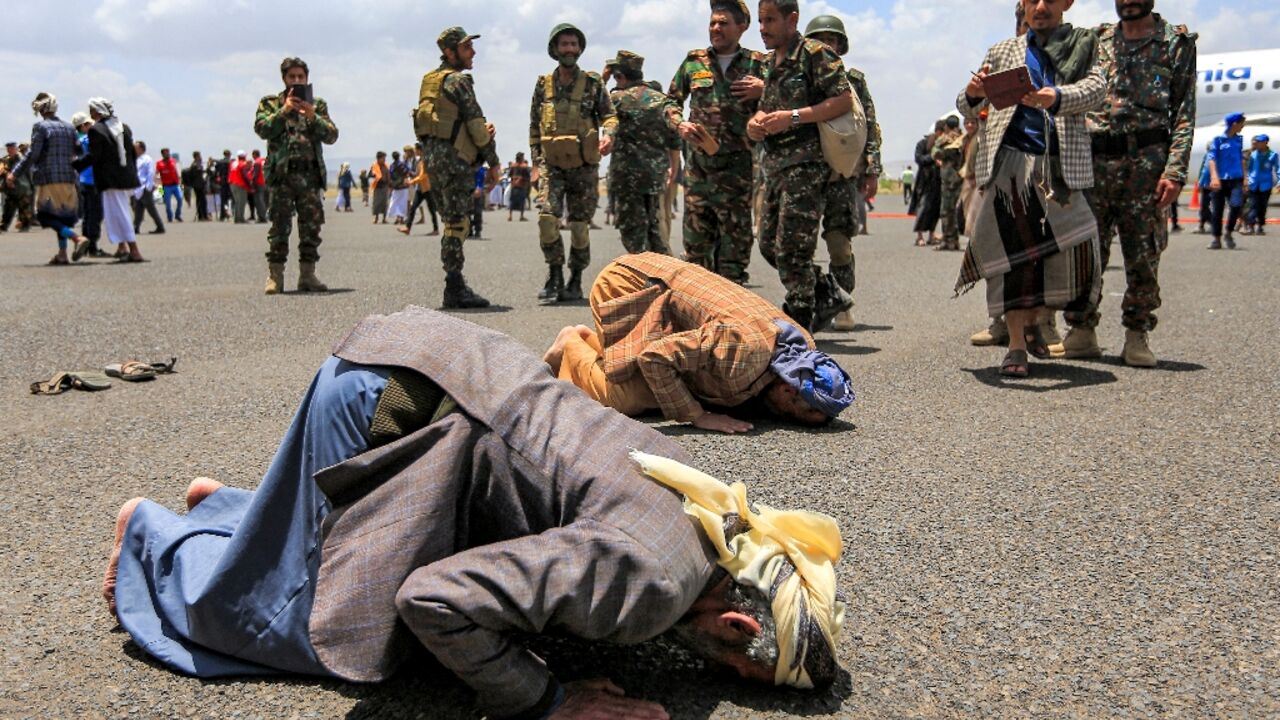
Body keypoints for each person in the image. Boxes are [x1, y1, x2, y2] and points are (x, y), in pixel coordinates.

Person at [102, 306, 845, 719]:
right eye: (739, 674)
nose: (714, 673)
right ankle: (156, 538)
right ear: (740, 624)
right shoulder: (650, 586)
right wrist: (551, 701)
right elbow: (433, 600)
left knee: (339, 549)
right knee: (322, 631)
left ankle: (237, 510)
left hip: (441, 358)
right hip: (394, 407)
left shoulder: (717, 512)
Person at [957, 0, 1106, 378]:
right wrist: (974, 93)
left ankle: (1042, 323)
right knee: (1014, 259)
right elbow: (968, 106)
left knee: (1072, 250)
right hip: (1010, 165)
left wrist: (1054, 97)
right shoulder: (1003, 50)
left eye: (1051, 0)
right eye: (1032, 0)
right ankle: (1016, 346)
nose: (1040, 7)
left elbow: (1097, 87)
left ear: (1067, 3)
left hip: (1060, 167)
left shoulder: (1083, 43)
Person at [548, 252, 853, 434]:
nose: (791, 420)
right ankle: (573, 343)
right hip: (628, 283)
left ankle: (601, 347)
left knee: (689, 386)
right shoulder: (742, 352)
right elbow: (655, 357)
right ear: (788, 389)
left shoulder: (803, 347)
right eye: (798, 416)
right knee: (628, 396)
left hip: (664, 291)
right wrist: (697, 416)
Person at [1050, 0, 1197, 368]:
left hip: (1146, 161)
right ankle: (1081, 331)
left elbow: (1184, 112)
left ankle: (1136, 333)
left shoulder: (1174, 44)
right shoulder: (1096, 40)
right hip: (1094, 160)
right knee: (1087, 250)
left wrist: (1174, 171)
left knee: (1143, 252)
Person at [748, 0, 855, 333]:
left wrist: (794, 117)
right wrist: (755, 123)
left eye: (770, 20)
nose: (762, 28)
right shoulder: (765, 63)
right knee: (768, 244)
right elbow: (765, 107)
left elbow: (842, 99)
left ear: (792, 19)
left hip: (806, 167)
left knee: (794, 248)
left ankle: (800, 323)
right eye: (760, 21)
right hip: (774, 167)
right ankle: (826, 290)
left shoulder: (814, 54)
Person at [668, 1, 768, 284]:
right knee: (696, 257)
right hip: (699, 173)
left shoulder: (758, 64)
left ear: (742, 27)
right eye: (713, 22)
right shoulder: (693, 61)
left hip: (737, 175)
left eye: (723, 23)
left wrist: (764, 89)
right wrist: (679, 123)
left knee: (733, 261)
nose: (715, 28)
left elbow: (786, 98)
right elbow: (670, 100)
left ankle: (732, 323)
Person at [804, 13, 884, 330]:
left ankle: (841, 301)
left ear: (841, 45)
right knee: (798, 245)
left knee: (839, 242)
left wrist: (872, 169)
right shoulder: (798, 79)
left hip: (842, 172)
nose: (826, 44)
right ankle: (807, 300)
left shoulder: (854, 81)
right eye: (819, 39)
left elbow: (869, 127)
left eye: (832, 39)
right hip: (805, 172)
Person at [530, 23, 617, 303]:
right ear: (554, 49)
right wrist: (535, 163)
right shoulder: (543, 84)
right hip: (551, 165)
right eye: (564, 44)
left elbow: (610, 116)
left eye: (573, 44)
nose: (569, 49)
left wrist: (609, 136)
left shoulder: (592, 82)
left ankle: (575, 279)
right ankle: (554, 273)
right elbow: (534, 126)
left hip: (584, 166)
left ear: (579, 49)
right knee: (546, 218)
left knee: (579, 226)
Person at [414, 27, 500, 308]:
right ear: (450, 53)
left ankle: (455, 282)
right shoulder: (458, 81)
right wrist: (493, 161)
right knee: (457, 223)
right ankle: (454, 286)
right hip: (455, 160)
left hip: (434, 160)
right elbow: (476, 124)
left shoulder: (430, 81)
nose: (472, 52)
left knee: (451, 221)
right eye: (465, 48)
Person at [254, 56, 340, 295]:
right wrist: (284, 112)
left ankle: (307, 274)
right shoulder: (271, 103)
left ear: (307, 78)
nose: (296, 80)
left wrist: (313, 115)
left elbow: (332, 135)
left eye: (300, 76)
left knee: (311, 227)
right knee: (279, 227)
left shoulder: (317, 104)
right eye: (292, 76)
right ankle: (275, 277)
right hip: (282, 176)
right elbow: (262, 129)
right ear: (284, 79)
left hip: (310, 177)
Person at [606, 51, 680, 255]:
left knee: (633, 233)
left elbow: (594, 107)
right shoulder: (661, 100)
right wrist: (673, 169)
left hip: (627, 177)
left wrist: (603, 78)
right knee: (654, 229)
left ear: (621, 76)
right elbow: (674, 139)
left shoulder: (618, 99)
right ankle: (666, 274)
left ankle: (647, 277)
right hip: (655, 176)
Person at [8, 92, 89, 264]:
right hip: (69, 177)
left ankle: (76, 238)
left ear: (41, 110)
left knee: (44, 215)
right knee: (63, 217)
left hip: (48, 178)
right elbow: (81, 152)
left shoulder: (41, 127)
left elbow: (33, 154)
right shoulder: (69, 128)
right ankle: (62, 254)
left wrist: (14, 173)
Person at [73, 98, 144, 261]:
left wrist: (75, 165)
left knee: (119, 213)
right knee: (115, 213)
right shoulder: (124, 127)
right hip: (126, 178)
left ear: (98, 111)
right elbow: (131, 154)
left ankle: (134, 250)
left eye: (92, 110)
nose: (91, 114)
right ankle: (122, 247)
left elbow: (94, 155)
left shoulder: (96, 130)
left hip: (110, 180)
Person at [1206, 112, 1248, 250]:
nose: (1243, 126)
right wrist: (1214, 177)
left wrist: (1245, 177)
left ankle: (1228, 233)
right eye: (1242, 123)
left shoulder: (1238, 140)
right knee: (1217, 211)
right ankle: (1216, 239)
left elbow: (1241, 159)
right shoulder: (1218, 140)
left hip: (1236, 179)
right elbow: (1211, 159)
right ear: (1234, 124)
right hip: (1220, 180)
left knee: (1236, 205)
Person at [71, 112, 107, 258]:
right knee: (96, 215)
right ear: (83, 126)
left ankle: (85, 243)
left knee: (87, 215)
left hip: (82, 181)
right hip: (92, 180)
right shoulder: (88, 139)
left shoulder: (75, 140)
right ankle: (92, 246)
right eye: (89, 125)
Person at [931, 116, 965, 251]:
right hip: (957, 178)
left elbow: (935, 153)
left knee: (948, 211)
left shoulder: (946, 140)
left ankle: (949, 239)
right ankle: (951, 240)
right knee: (952, 211)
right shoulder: (963, 138)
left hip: (951, 179)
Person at [911, 121, 943, 246]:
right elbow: (919, 159)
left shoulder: (942, 145)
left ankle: (931, 234)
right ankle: (919, 235)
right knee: (923, 208)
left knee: (935, 209)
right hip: (924, 182)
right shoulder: (922, 144)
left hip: (937, 182)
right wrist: (933, 158)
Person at [1245, 134, 1277, 234]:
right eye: (1257, 142)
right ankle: (1250, 226)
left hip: (1265, 185)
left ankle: (1260, 226)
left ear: (1265, 143)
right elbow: (1248, 169)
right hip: (1253, 184)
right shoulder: (1253, 154)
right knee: (1253, 205)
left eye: (1260, 142)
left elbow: (1278, 168)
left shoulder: (1273, 155)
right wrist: (1246, 180)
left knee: (1262, 207)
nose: (1257, 144)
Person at [0, 141, 34, 233]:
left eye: (11, 148)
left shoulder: (23, 160)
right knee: (8, 209)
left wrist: (32, 186)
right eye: (8, 148)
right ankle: (3, 226)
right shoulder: (4, 160)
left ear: (15, 149)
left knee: (25, 209)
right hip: (11, 189)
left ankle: (25, 226)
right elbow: (1, 172)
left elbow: (29, 173)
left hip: (23, 188)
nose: (9, 150)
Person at [155, 147, 183, 223]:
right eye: (165, 153)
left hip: (175, 185)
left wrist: (180, 182)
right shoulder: (159, 163)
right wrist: (159, 187)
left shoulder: (173, 161)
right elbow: (157, 175)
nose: (167, 154)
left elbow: (178, 172)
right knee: (168, 203)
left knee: (180, 199)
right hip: (166, 186)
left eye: (168, 152)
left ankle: (178, 215)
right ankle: (170, 217)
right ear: (162, 154)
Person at [387, 148, 410, 224]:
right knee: (402, 203)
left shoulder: (392, 166)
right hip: (403, 186)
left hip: (396, 187)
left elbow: (390, 176)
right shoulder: (403, 164)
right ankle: (401, 219)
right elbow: (407, 172)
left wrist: (391, 185)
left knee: (395, 202)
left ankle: (397, 218)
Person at [228, 149, 251, 223]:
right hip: (240, 184)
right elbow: (245, 175)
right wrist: (249, 183)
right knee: (242, 202)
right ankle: (241, 218)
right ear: (244, 156)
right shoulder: (242, 164)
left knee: (237, 202)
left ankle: (236, 218)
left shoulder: (233, 163)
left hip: (232, 184)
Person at [507, 151, 531, 221]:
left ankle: (510, 216)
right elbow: (527, 177)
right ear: (521, 158)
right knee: (522, 201)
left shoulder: (513, 166)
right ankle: (521, 216)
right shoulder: (524, 166)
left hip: (514, 185)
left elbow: (509, 175)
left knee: (512, 200)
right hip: (522, 186)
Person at [187, 151, 209, 221]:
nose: (200, 157)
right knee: (201, 201)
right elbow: (196, 173)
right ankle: (202, 216)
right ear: (196, 157)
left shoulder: (197, 164)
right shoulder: (195, 165)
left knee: (202, 201)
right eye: (199, 156)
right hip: (198, 185)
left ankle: (204, 216)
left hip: (200, 184)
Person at [369, 151, 389, 223]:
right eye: (383, 158)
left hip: (385, 187)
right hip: (377, 187)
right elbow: (369, 175)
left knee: (384, 203)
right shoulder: (374, 166)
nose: (384, 160)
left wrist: (389, 184)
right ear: (378, 158)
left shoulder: (386, 166)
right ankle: (376, 218)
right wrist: (374, 174)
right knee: (376, 203)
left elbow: (389, 175)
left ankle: (384, 218)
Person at [250, 149, 269, 224]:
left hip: (259, 183)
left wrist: (252, 183)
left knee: (259, 201)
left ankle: (262, 217)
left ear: (254, 155)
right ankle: (264, 215)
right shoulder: (264, 160)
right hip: (266, 182)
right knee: (264, 201)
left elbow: (255, 174)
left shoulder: (257, 162)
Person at [204, 157, 222, 223]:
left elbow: (220, 162)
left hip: (216, 186)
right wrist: (209, 164)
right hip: (209, 187)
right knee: (210, 201)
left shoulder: (217, 169)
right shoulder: (208, 170)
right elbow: (207, 171)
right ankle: (209, 214)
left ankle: (220, 213)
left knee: (218, 201)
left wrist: (214, 160)